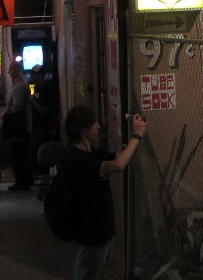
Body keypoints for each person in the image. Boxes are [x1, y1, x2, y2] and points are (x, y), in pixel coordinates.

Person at [62, 105, 148, 280]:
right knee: (88, 274)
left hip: (102, 232)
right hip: (91, 234)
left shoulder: (91, 153)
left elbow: (123, 158)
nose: (98, 126)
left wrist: (137, 137)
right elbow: (118, 165)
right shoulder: (77, 160)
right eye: (93, 123)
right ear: (82, 128)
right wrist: (137, 135)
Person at [1, 61, 34, 191]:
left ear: (16, 70)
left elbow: (17, 106)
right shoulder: (21, 84)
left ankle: (22, 182)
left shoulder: (20, 86)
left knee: (17, 156)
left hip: (18, 125)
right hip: (21, 125)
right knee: (20, 155)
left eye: (10, 70)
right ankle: (24, 180)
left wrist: (6, 114)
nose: (8, 72)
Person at [29, 64, 59, 179]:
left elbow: (43, 109)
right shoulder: (34, 87)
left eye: (34, 74)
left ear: (40, 75)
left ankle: (44, 177)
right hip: (37, 126)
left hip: (46, 126)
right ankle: (41, 177)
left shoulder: (47, 88)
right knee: (35, 150)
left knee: (40, 152)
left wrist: (33, 102)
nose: (31, 76)